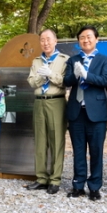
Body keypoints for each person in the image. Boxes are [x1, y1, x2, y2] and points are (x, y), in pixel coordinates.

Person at [63, 25, 107, 201]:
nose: (85, 40)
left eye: (89, 37)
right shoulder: (73, 59)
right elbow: (66, 81)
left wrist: (87, 75)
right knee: (78, 150)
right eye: (82, 37)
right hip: (77, 111)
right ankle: (78, 185)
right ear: (78, 41)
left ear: (96, 39)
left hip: (96, 113)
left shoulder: (104, 60)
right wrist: (76, 75)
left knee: (96, 151)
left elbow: (105, 81)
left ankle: (94, 187)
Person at [26, 29, 69, 194]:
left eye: (49, 39)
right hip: (39, 103)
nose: (46, 42)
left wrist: (51, 75)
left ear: (55, 41)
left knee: (56, 141)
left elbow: (66, 81)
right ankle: (41, 178)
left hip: (56, 102)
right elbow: (31, 82)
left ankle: (55, 179)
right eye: (42, 40)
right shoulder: (37, 61)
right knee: (40, 141)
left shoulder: (65, 60)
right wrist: (41, 77)